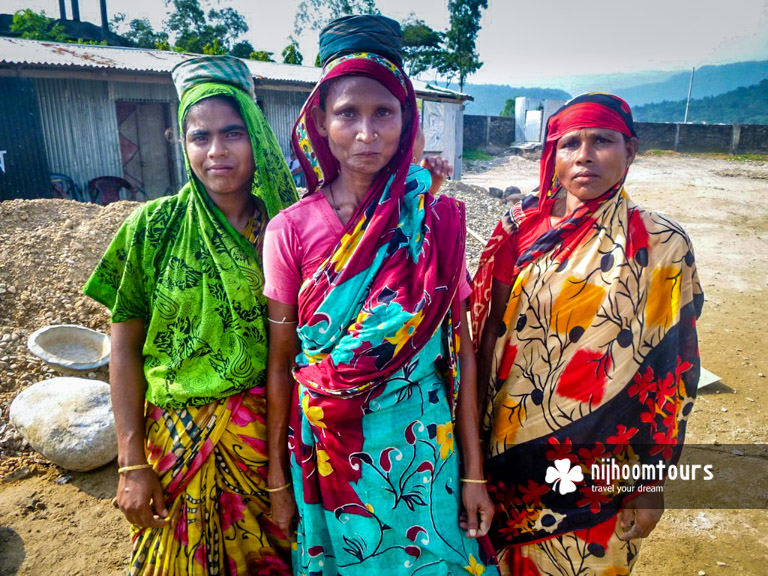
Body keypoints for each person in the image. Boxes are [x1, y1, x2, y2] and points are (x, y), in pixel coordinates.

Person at [263, 15, 497, 576]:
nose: (366, 134)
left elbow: (459, 352)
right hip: (327, 450)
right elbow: (281, 361)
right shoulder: (289, 229)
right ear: (319, 120)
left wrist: (473, 472)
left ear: (406, 120)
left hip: (423, 447)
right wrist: (276, 479)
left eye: (383, 113)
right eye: (347, 113)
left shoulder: (436, 218)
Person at [83, 55, 298, 575]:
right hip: (173, 445)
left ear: (258, 137)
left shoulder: (289, 230)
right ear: (181, 142)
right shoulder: (151, 228)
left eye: (233, 133)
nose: (217, 152)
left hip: (265, 446)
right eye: (199, 136)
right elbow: (125, 348)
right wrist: (131, 462)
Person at [472, 93, 703, 575]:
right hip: (509, 455)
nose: (584, 154)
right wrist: (469, 453)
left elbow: (672, 371)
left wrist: (651, 481)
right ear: (551, 156)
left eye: (602, 140)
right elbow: (486, 336)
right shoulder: (518, 231)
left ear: (631, 150)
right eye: (569, 143)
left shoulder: (662, 244)